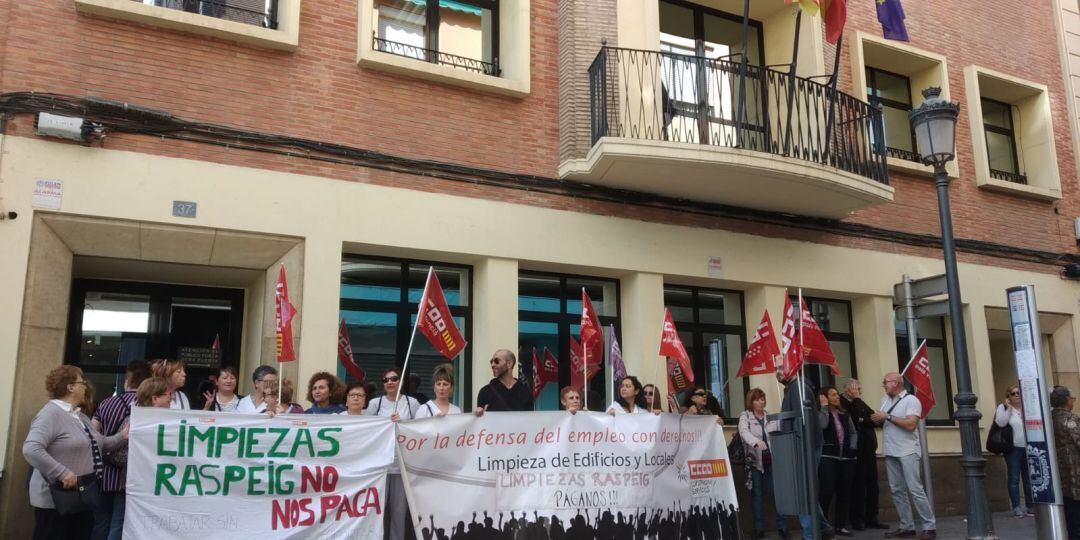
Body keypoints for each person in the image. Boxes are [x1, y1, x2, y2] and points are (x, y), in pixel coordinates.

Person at [23, 366, 129, 540]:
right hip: (56, 500)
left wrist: (123, 436)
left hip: (82, 496)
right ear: (70, 387)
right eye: (82, 382)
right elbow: (31, 448)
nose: (85, 387)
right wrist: (62, 473)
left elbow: (101, 444)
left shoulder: (80, 417)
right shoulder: (50, 414)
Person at [90, 360, 150, 540]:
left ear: (127, 381)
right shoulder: (146, 407)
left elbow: (94, 436)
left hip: (104, 472)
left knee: (100, 523)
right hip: (130, 475)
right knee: (119, 523)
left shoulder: (107, 403)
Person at [871, 372, 936, 540]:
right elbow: (884, 422)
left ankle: (929, 527)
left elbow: (911, 425)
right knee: (897, 490)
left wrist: (888, 416)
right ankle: (907, 526)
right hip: (890, 450)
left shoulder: (911, 400)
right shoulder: (885, 400)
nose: (883, 385)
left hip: (907, 450)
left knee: (915, 489)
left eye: (885, 382)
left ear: (896, 383)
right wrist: (876, 419)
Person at [776, 362, 833, 540]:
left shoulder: (799, 388)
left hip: (804, 446)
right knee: (806, 490)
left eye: (780, 368)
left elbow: (803, 421)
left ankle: (810, 535)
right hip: (800, 445)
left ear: (792, 368)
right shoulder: (793, 389)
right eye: (775, 369)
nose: (777, 373)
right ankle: (823, 528)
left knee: (804, 492)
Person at [364, 366, 420, 540]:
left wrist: (402, 423)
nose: (390, 382)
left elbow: (422, 429)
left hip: (402, 465)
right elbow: (364, 428)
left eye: (394, 378)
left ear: (401, 381)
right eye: (386, 380)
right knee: (376, 511)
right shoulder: (375, 403)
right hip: (380, 467)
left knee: (398, 512)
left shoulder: (412, 403)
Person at [839, 379, 888, 531]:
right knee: (858, 486)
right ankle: (857, 519)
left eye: (859, 390)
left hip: (869, 450)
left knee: (872, 485)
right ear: (848, 390)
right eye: (857, 389)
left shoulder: (859, 402)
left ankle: (872, 517)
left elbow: (877, 421)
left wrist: (864, 418)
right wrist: (858, 402)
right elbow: (854, 418)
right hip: (855, 451)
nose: (859, 392)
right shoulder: (842, 402)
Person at [738, 388, 787, 540]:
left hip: (772, 461)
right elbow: (744, 433)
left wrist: (782, 418)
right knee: (757, 495)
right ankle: (759, 528)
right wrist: (756, 442)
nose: (761, 402)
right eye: (758, 399)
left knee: (776, 494)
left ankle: (783, 527)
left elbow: (779, 432)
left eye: (763, 398)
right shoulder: (745, 416)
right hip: (755, 462)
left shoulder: (770, 416)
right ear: (751, 401)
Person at [817, 387, 857, 537]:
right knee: (826, 492)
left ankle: (840, 526)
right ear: (824, 397)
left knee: (844, 492)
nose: (837, 397)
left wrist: (852, 447)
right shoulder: (820, 413)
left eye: (837, 394)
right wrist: (823, 407)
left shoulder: (844, 413)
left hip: (846, 459)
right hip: (828, 457)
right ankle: (823, 526)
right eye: (833, 395)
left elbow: (853, 433)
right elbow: (822, 425)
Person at [995, 384, 1033, 518]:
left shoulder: (1028, 408)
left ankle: (1031, 507)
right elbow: (1001, 423)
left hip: (1029, 448)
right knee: (1014, 478)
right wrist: (1009, 408)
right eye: (1013, 393)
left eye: (1019, 393)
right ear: (1008, 397)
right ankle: (1017, 507)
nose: (1017, 395)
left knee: (1029, 478)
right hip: (1013, 449)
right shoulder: (1003, 408)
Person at [1051, 385, 1080, 539]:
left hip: (1059, 477)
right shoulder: (1070, 419)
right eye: (1072, 399)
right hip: (1075, 474)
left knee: (1070, 517)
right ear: (1067, 400)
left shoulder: (1050, 418)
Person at [475, 349, 533, 413]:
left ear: (509, 364)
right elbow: (481, 421)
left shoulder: (525, 391)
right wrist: (478, 414)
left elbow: (529, 420)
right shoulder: (485, 392)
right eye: (491, 362)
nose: (492, 365)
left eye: (496, 361)